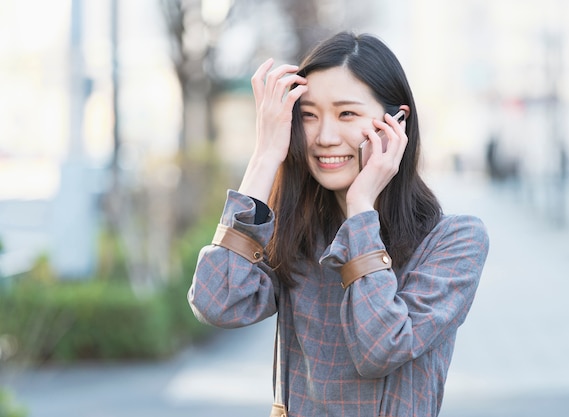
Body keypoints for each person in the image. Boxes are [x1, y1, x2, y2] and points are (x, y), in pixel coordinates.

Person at [188, 31, 489, 417]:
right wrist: (264, 157)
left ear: (396, 122)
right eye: (309, 116)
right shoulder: (299, 228)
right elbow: (217, 303)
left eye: (347, 114)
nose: (325, 137)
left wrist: (361, 209)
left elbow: (380, 349)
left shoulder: (454, 241)